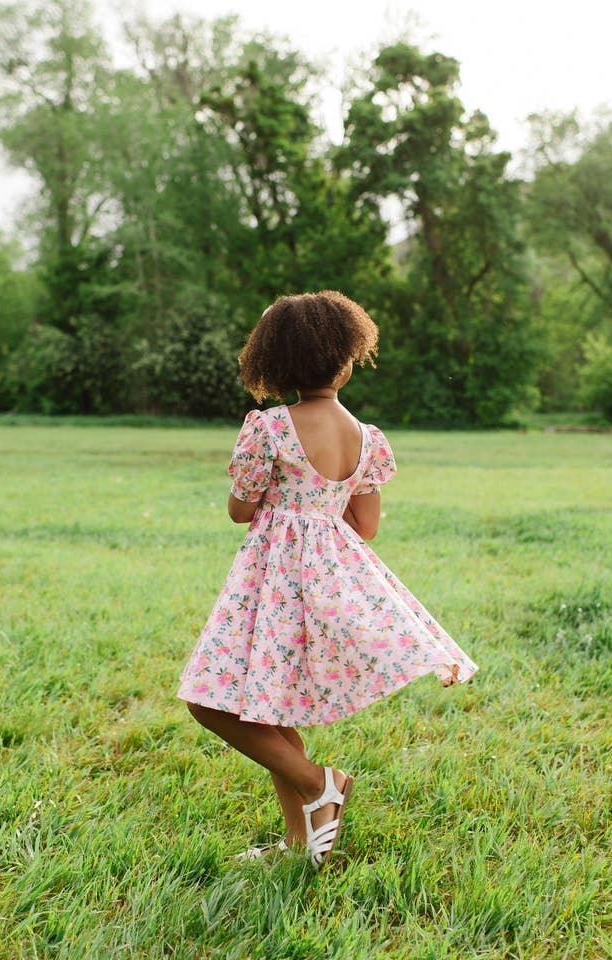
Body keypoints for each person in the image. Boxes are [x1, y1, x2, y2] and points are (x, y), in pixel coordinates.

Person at [176, 290, 479, 869]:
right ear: (347, 359)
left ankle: (321, 783)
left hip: (274, 580)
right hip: (329, 577)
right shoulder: (367, 437)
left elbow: (241, 511)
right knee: (271, 706)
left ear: (276, 363)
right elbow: (365, 525)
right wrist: (320, 506)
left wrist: (286, 503)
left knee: (210, 703)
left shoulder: (268, 428)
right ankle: (297, 841)